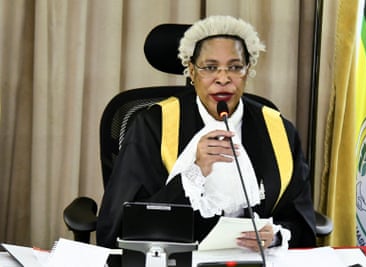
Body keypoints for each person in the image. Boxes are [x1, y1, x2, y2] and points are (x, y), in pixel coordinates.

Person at [97, 15, 316, 253]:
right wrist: (193, 173)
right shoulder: (153, 125)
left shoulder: (279, 130)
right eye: (210, 68)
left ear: (248, 70)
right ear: (192, 71)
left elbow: (300, 221)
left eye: (235, 67)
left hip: (251, 260)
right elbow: (120, 224)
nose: (223, 79)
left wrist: (275, 237)